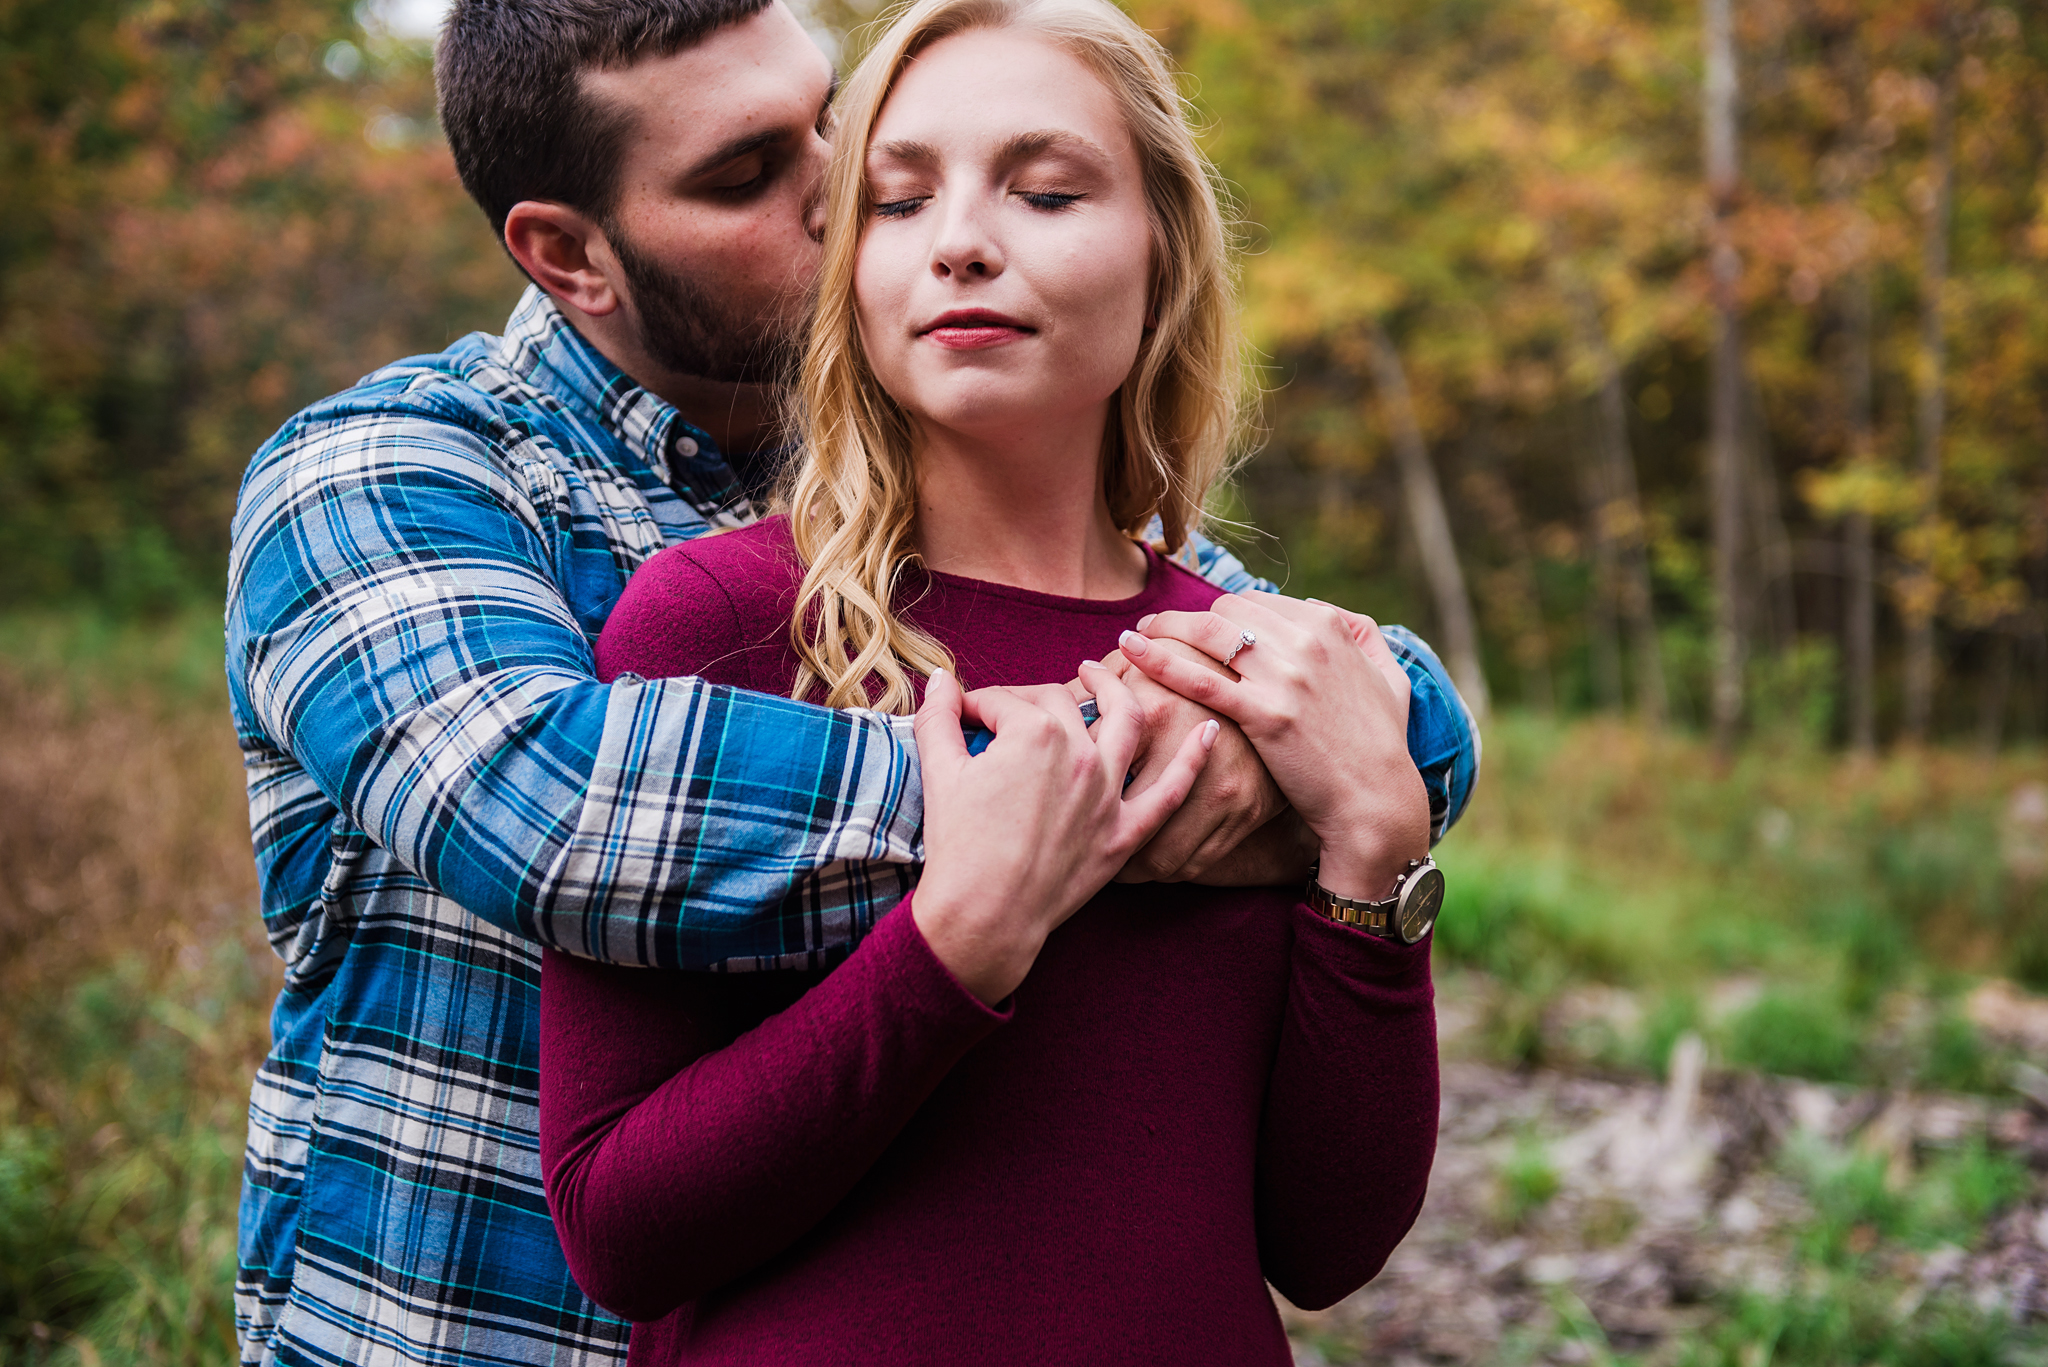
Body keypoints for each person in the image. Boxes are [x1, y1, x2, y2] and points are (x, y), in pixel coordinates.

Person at [224, 0, 1476, 1364]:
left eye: (831, 125)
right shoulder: (393, 476)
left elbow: (1371, 702)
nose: (837, 195)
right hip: (473, 1331)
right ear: (570, 254)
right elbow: (554, 807)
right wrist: (1058, 807)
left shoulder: (1106, 557)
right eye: (750, 172)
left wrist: (1367, 779)